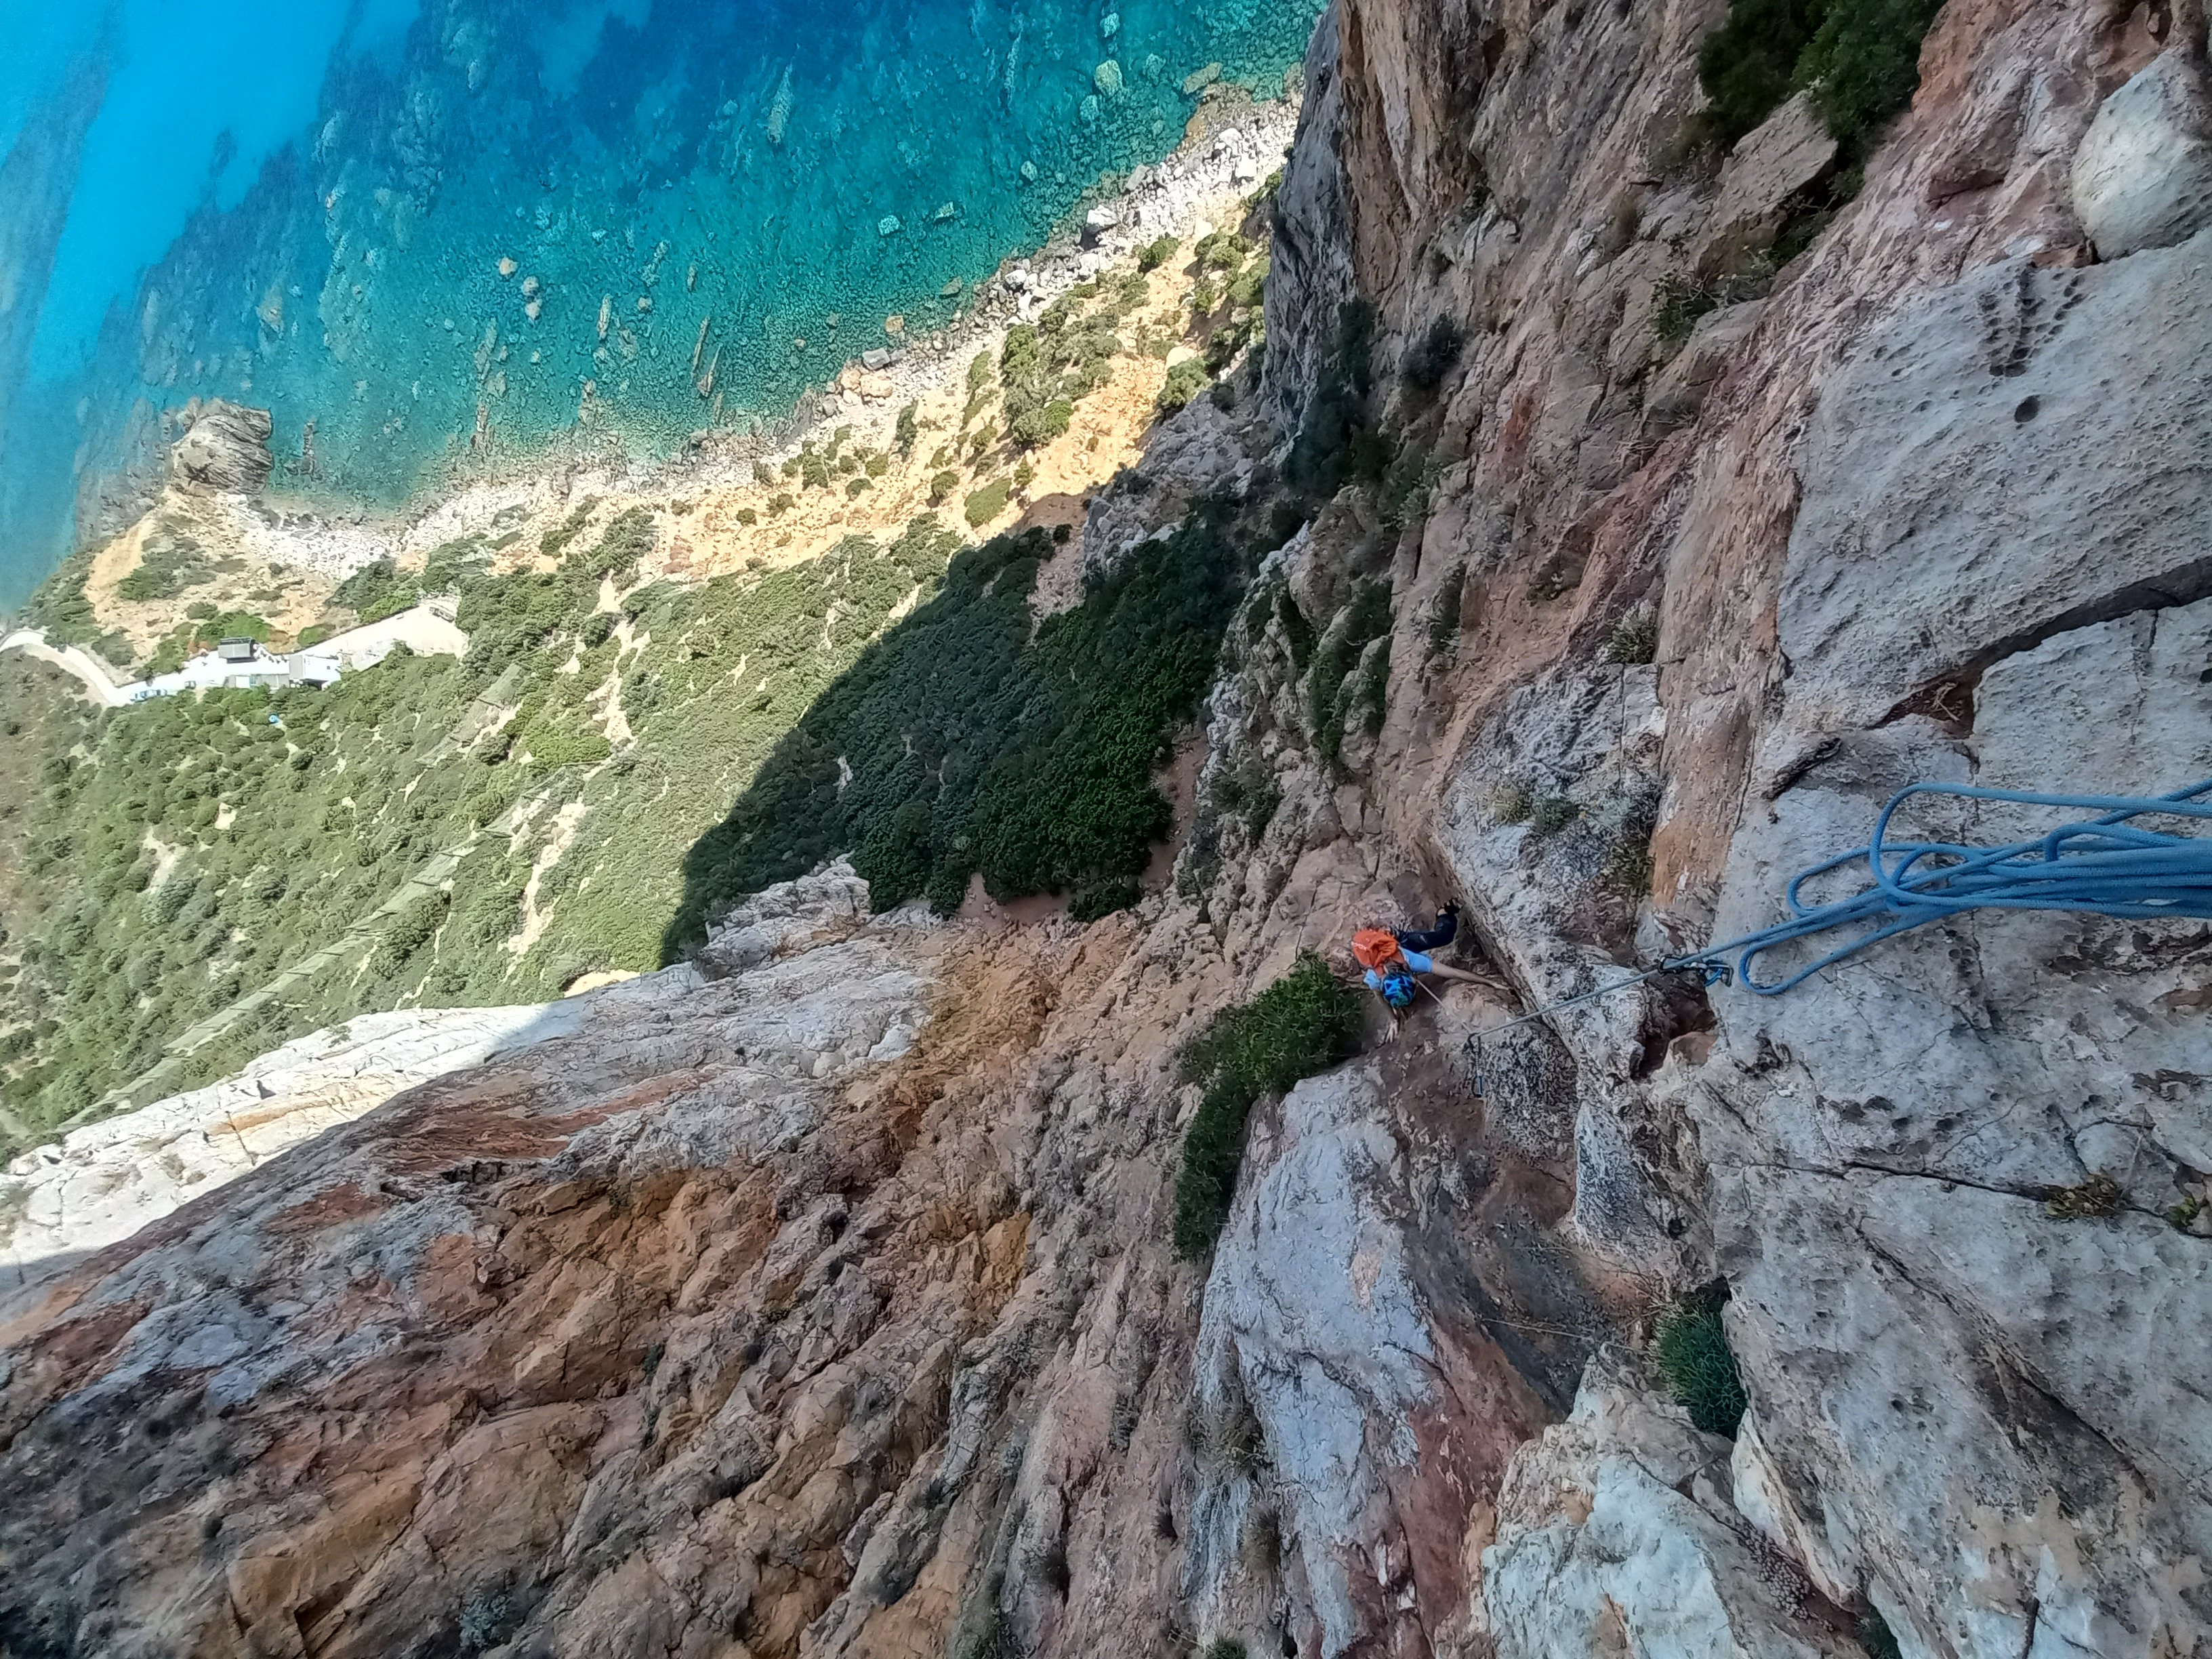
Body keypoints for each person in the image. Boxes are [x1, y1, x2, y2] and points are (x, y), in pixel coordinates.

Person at [1352, 903, 1483, 1012]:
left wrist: (1488, 982)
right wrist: (1394, 1020)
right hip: (1386, 951)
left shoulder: (1411, 961)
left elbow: (1454, 973)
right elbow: (1379, 995)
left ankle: (1443, 913)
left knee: (1444, 936)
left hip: (1399, 943)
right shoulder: (1374, 979)